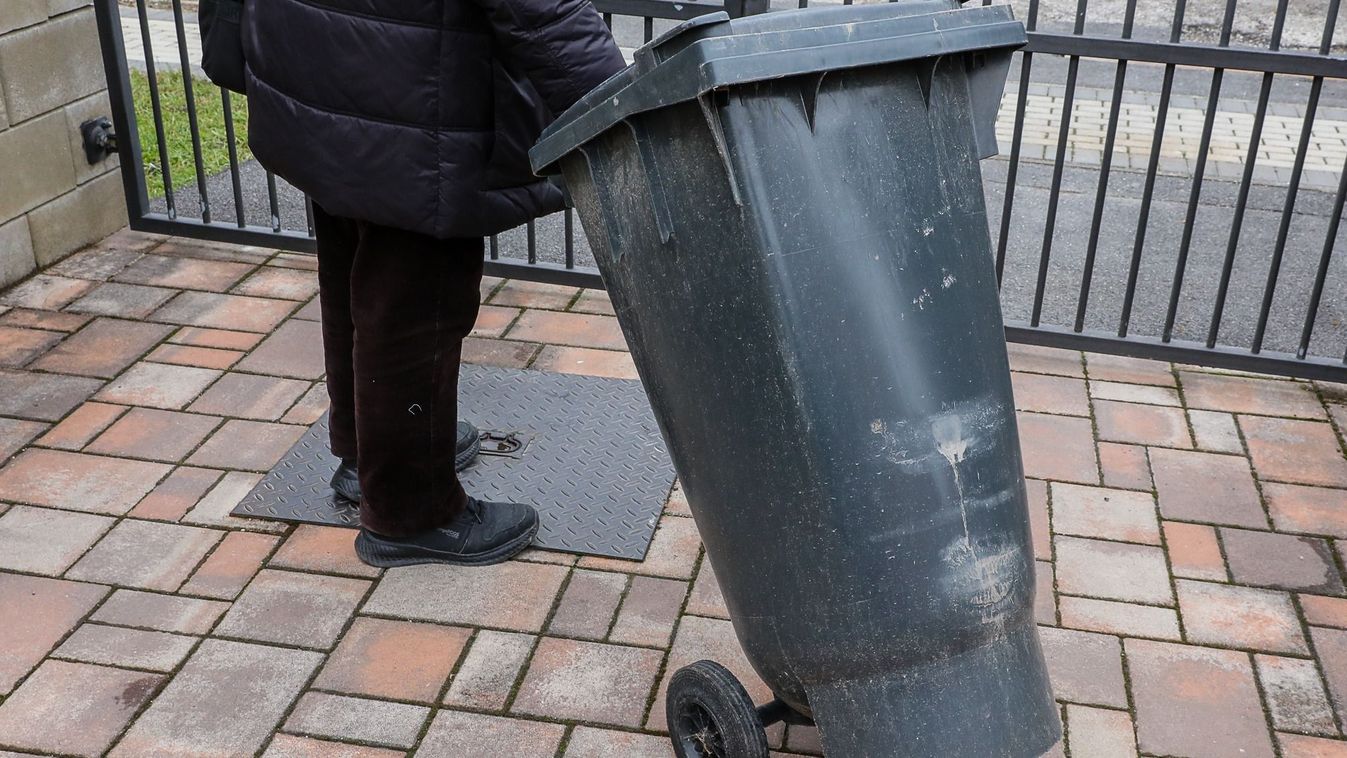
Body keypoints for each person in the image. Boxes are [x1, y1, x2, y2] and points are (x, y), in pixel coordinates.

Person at [242, 0, 625, 567]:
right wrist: (623, 111)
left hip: (314, 56)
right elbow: (542, 12)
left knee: (354, 266)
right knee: (414, 305)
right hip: (414, 93)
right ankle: (412, 514)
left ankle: (362, 456)